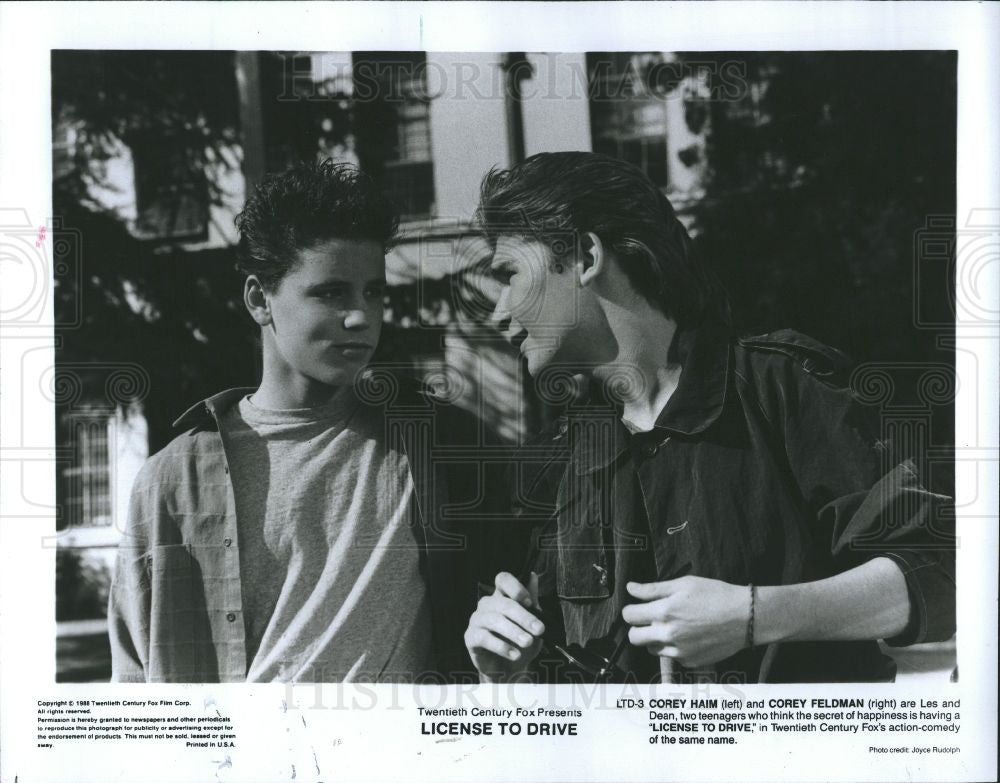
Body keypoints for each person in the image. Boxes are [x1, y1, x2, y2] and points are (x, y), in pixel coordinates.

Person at [464, 151, 955, 683]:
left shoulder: (781, 390)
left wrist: (755, 616)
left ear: (583, 256)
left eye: (510, 274)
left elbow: (938, 575)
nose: (498, 310)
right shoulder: (554, 460)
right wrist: (507, 667)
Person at [109, 160, 479, 683]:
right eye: (331, 293)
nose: (361, 316)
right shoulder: (172, 480)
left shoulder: (433, 443)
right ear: (261, 299)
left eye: (374, 291)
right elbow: (133, 683)